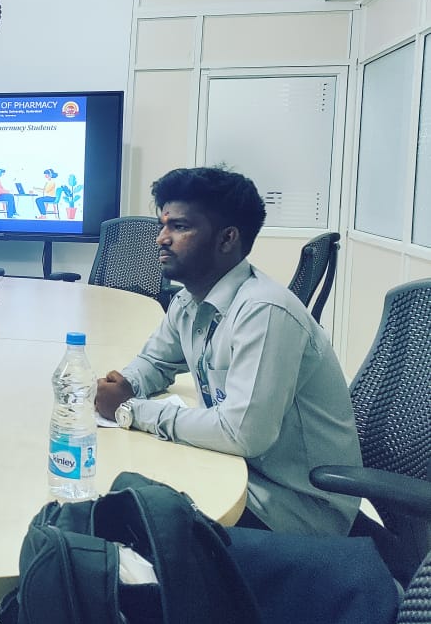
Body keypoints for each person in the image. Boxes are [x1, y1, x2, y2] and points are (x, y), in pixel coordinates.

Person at [94, 166, 362, 537]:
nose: (161, 238)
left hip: (293, 510)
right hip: (238, 472)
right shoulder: (189, 301)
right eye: (162, 225)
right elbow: (156, 360)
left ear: (227, 238)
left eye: (179, 227)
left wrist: (131, 410)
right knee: (119, 493)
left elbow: (242, 433)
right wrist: (127, 382)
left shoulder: (263, 311)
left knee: (121, 520)